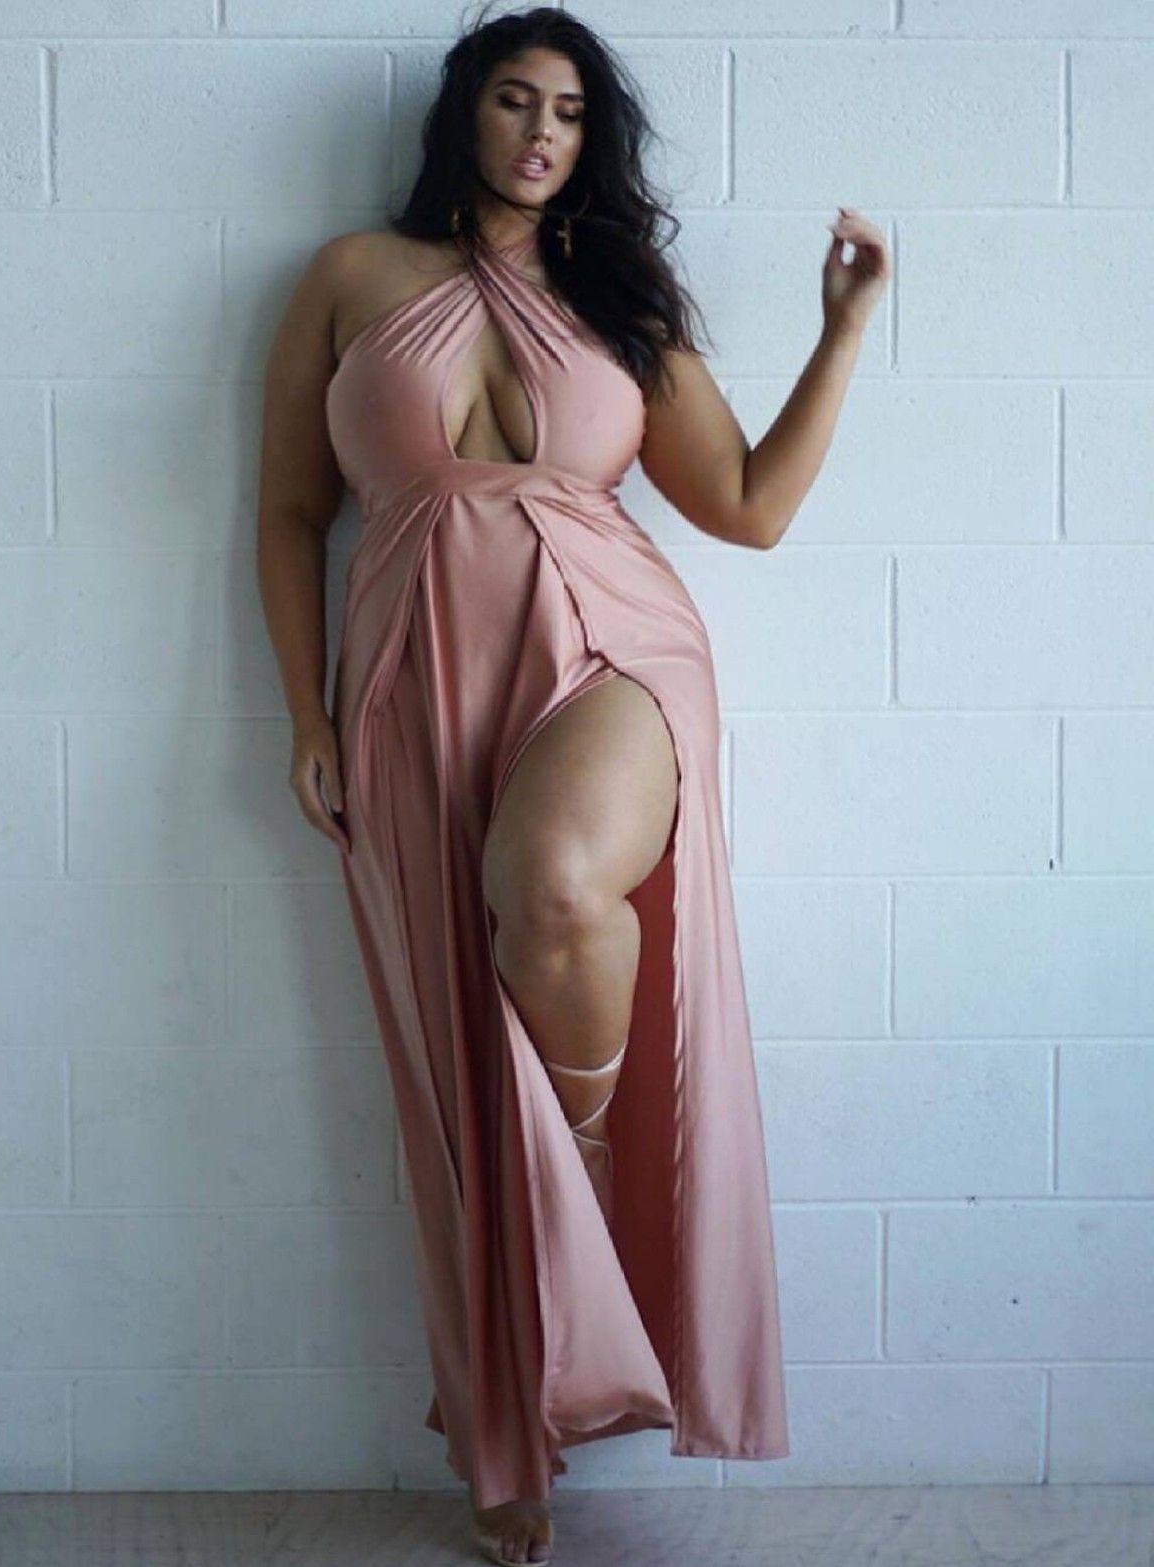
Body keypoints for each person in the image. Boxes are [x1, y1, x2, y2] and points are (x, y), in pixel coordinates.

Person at [255, 6, 888, 1562]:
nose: (542, 133)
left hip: (616, 641)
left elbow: (745, 507)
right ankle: (510, 1440)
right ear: (463, 115)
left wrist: (842, 331)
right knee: (458, 1059)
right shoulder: (348, 275)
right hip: (414, 673)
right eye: (514, 101)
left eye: (571, 113)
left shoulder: (619, 301)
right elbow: (287, 513)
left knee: (551, 889)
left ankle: (592, 1166)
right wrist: (304, 713)